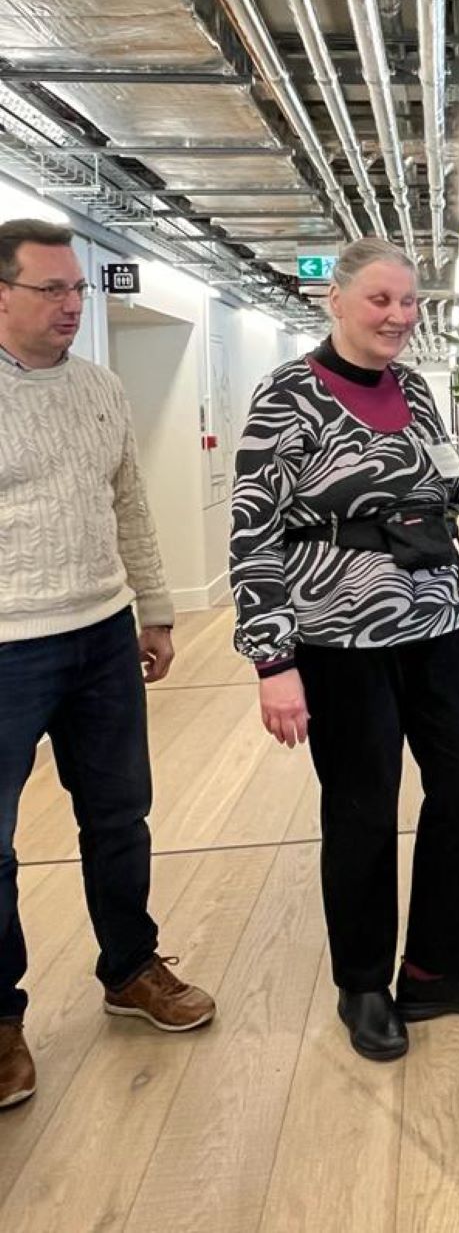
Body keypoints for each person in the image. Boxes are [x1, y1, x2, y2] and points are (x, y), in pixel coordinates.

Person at [230, 237, 459, 1062]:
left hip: (434, 624)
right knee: (362, 804)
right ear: (337, 301)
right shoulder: (287, 396)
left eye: (409, 301)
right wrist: (272, 661)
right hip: (337, 638)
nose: (398, 315)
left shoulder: (415, 392)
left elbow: (452, 487)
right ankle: (363, 982)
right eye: (381, 299)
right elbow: (253, 531)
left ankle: (435, 969)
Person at [0, 219, 216, 1112]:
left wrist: (156, 610)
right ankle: (0, 1018)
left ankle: (130, 967)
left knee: (121, 815)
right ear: (2, 293)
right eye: (51, 289)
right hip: (7, 644)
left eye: (79, 290)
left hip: (100, 634)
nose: (71, 305)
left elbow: (129, 501)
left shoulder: (100, 388)